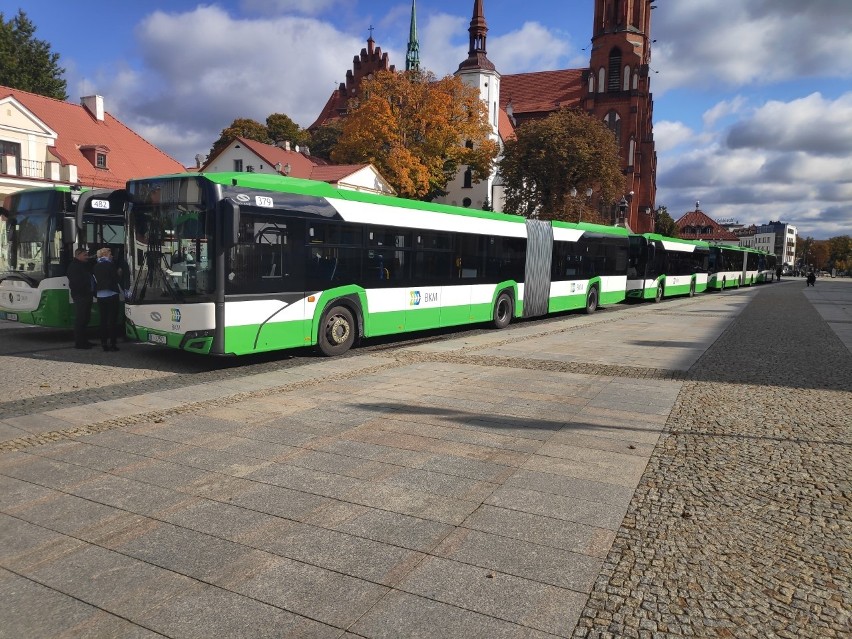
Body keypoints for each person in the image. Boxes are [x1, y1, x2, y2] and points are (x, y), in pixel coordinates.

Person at [92, 247, 122, 351]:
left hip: (100, 295)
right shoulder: (110, 265)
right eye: (110, 254)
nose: (112, 256)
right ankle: (113, 343)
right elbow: (116, 279)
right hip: (112, 294)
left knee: (103, 320)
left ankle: (104, 343)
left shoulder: (95, 266)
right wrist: (119, 274)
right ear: (105, 255)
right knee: (112, 321)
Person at [67, 248, 95, 349]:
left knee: (86, 319)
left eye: (87, 255)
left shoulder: (84, 265)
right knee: (81, 319)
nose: (87, 257)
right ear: (78, 255)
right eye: (85, 255)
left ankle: (85, 340)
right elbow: (76, 282)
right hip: (81, 295)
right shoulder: (74, 266)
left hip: (87, 295)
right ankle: (79, 343)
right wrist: (85, 288)